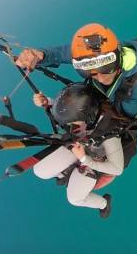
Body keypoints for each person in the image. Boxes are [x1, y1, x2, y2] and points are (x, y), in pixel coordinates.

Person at [16, 23, 137, 169]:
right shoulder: (94, 57)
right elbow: (64, 53)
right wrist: (40, 55)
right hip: (132, 73)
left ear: (116, 57)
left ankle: (136, 138)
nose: (101, 78)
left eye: (106, 68)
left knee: (135, 119)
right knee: (98, 93)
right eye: (91, 72)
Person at [33, 83, 129, 218]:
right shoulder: (82, 111)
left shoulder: (109, 132)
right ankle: (64, 173)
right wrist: (48, 102)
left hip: (94, 163)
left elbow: (117, 169)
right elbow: (71, 109)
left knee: (74, 199)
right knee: (40, 171)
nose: (70, 125)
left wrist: (85, 159)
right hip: (77, 149)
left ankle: (103, 203)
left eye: (74, 123)